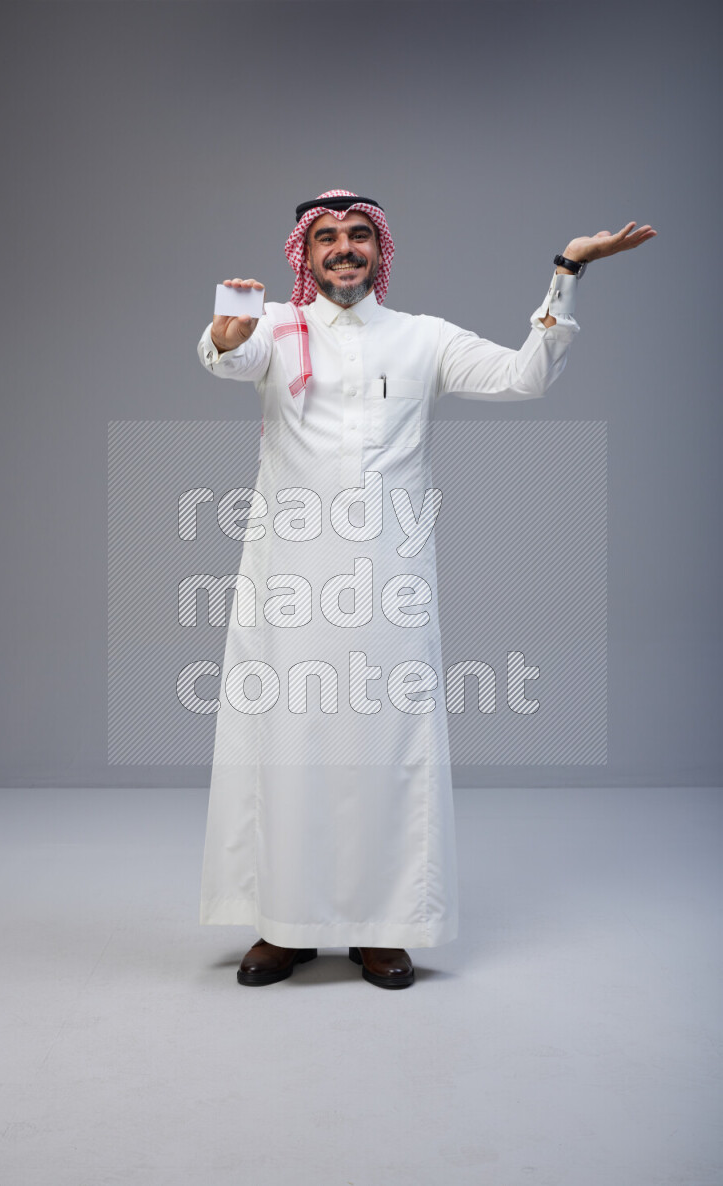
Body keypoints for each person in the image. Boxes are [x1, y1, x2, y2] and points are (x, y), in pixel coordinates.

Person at [196, 189, 656, 989]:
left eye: (359, 235)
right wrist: (224, 336)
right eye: (327, 237)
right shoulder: (274, 326)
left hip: (388, 579)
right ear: (305, 254)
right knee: (289, 743)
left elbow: (525, 376)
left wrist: (568, 272)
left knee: (388, 747)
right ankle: (284, 923)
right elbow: (228, 357)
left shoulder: (423, 338)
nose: (343, 248)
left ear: (381, 252)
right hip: (290, 580)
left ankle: (385, 927)